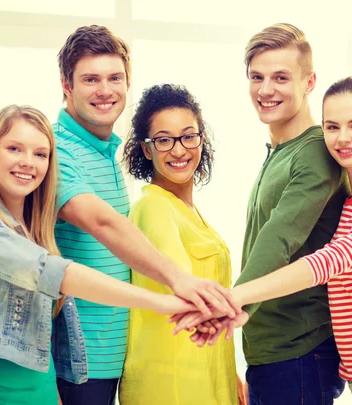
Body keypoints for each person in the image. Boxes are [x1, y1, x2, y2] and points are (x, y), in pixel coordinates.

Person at [175, 77, 352, 405]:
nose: (343, 138)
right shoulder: (348, 204)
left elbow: (322, 263)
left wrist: (235, 298)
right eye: (332, 127)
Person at [0, 105, 197, 405]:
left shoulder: (43, 234)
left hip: (44, 391)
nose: (27, 162)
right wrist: (163, 301)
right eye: (14, 148)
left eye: (40, 154)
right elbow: (51, 272)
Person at [52, 26, 238, 405]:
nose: (105, 90)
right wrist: (179, 279)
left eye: (114, 77)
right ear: (66, 86)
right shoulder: (56, 148)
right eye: (90, 79)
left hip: (112, 359)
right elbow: (100, 223)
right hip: (76, 360)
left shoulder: (106, 155)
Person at [178, 23, 349, 405]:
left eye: (281, 77)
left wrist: (228, 307)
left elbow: (278, 239)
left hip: (300, 353)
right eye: (257, 77)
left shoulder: (316, 152)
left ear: (309, 82)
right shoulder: (280, 151)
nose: (265, 90)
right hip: (271, 351)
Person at [118, 84, 246, 405]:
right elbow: (188, 291)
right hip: (171, 382)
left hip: (206, 371)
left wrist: (231, 374)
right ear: (146, 149)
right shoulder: (153, 207)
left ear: (202, 140)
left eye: (188, 136)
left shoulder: (190, 212)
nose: (178, 150)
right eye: (164, 140)